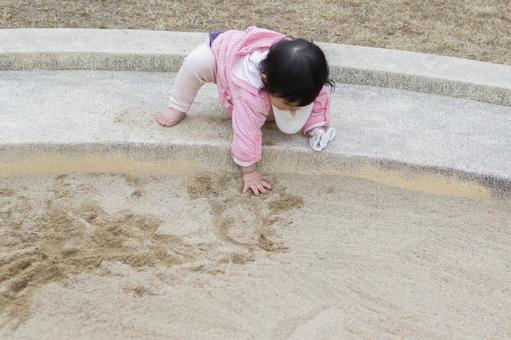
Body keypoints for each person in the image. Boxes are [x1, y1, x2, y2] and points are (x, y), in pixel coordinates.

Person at [158, 26, 336, 196]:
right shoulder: (250, 93)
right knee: (196, 63)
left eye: (300, 105)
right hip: (221, 51)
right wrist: (249, 172)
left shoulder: (305, 76)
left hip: (261, 54)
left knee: (297, 92)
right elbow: (246, 130)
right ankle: (177, 106)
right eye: (289, 104)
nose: (295, 110)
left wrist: (316, 125)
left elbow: (319, 96)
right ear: (266, 82)